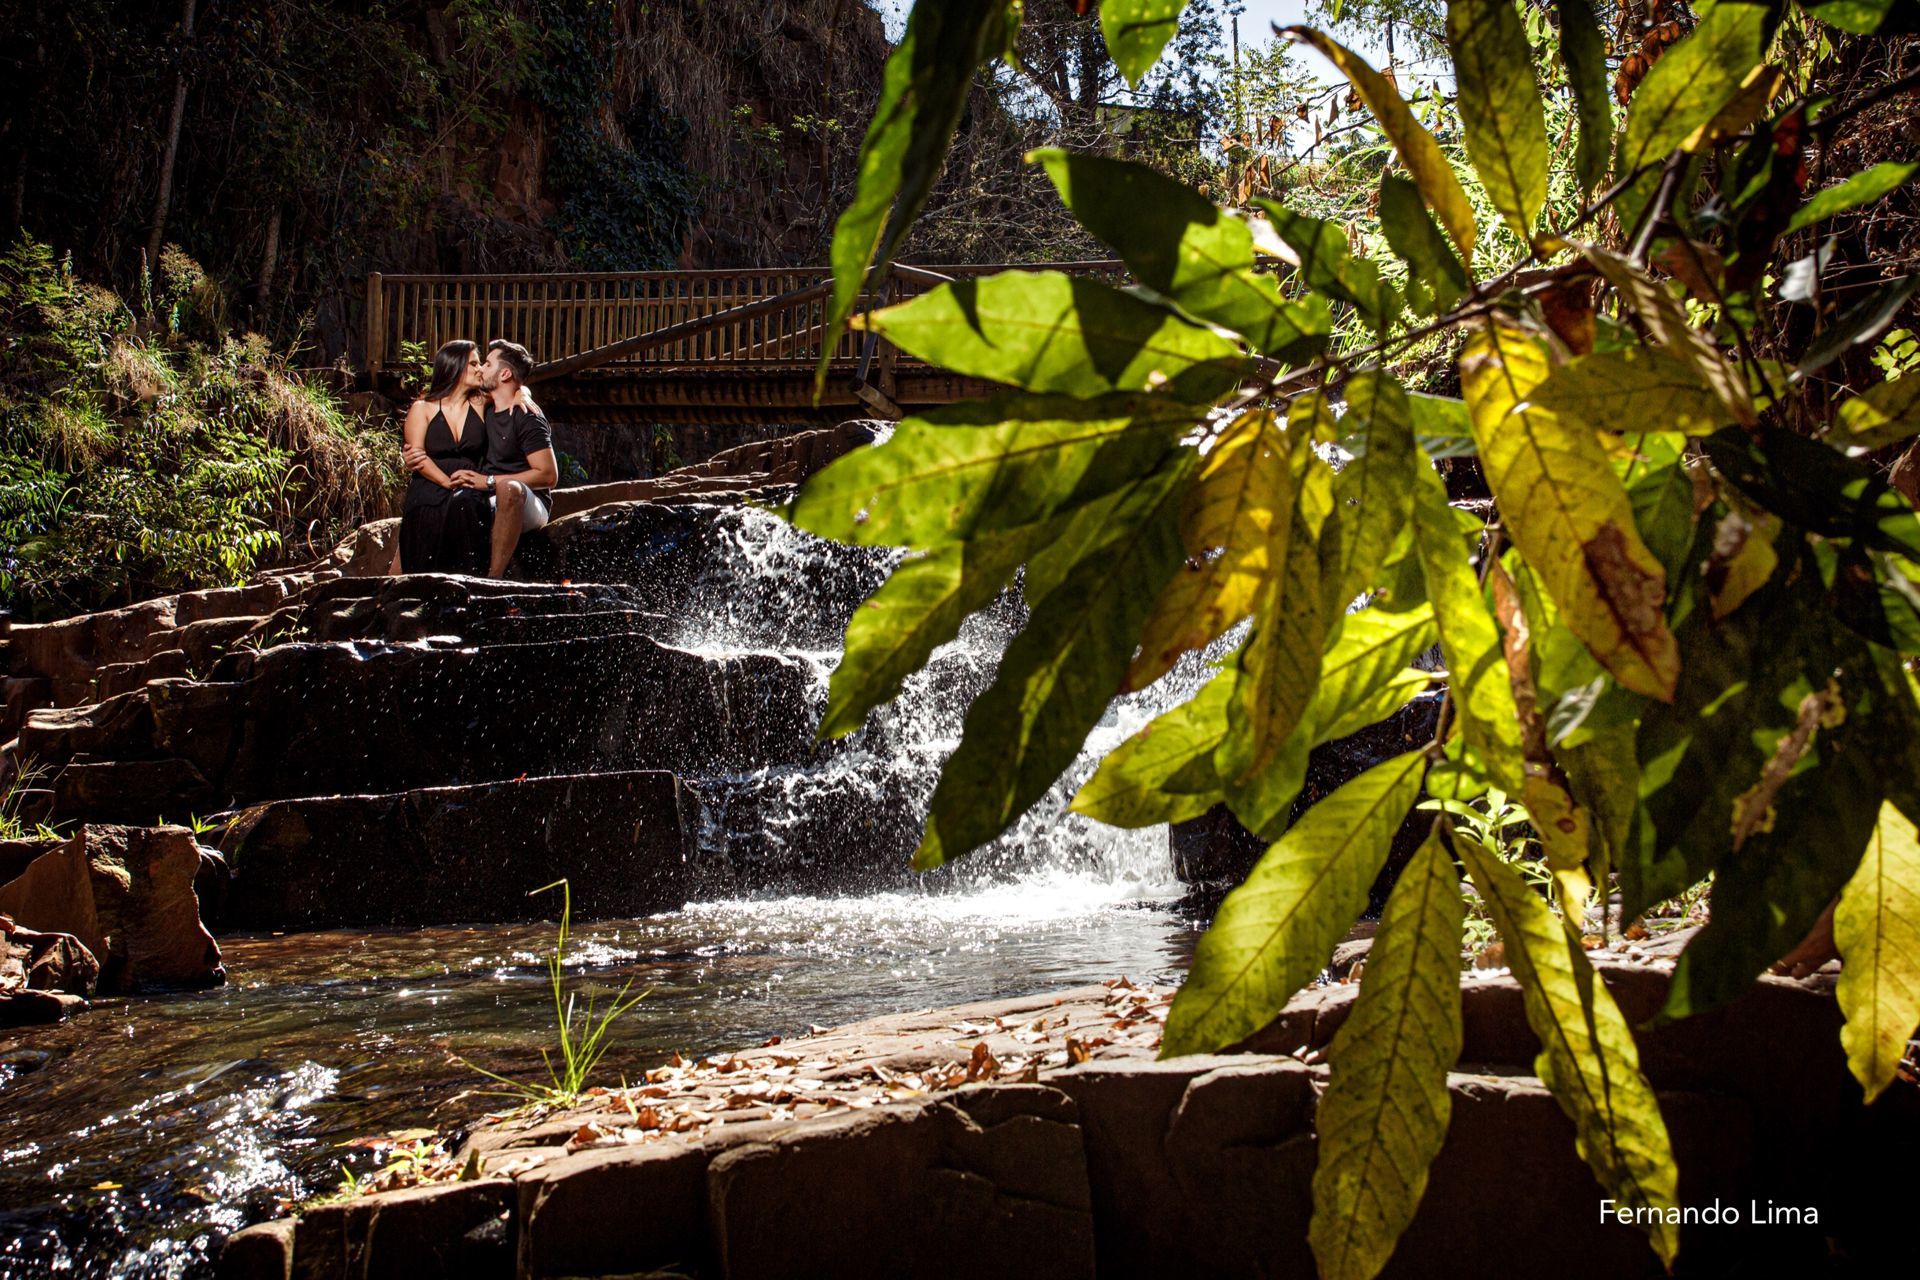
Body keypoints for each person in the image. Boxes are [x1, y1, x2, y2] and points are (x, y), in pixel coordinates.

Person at [449, 339, 557, 578]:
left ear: (505, 373)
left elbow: (548, 475)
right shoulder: (485, 407)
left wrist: (488, 481)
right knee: (458, 498)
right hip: (490, 498)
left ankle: (493, 580)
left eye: (487, 364)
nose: (481, 369)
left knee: (508, 489)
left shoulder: (527, 416)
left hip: (528, 502)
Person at [395, 340, 493, 575]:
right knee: (426, 518)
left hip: (468, 486)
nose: (480, 368)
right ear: (455, 366)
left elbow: (513, 389)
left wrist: (525, 396)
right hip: (430, 485)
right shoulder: (422, 408)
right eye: (474, 363)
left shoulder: (481, 403)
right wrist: (445, 482)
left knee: (465, 504)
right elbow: (417, 456)